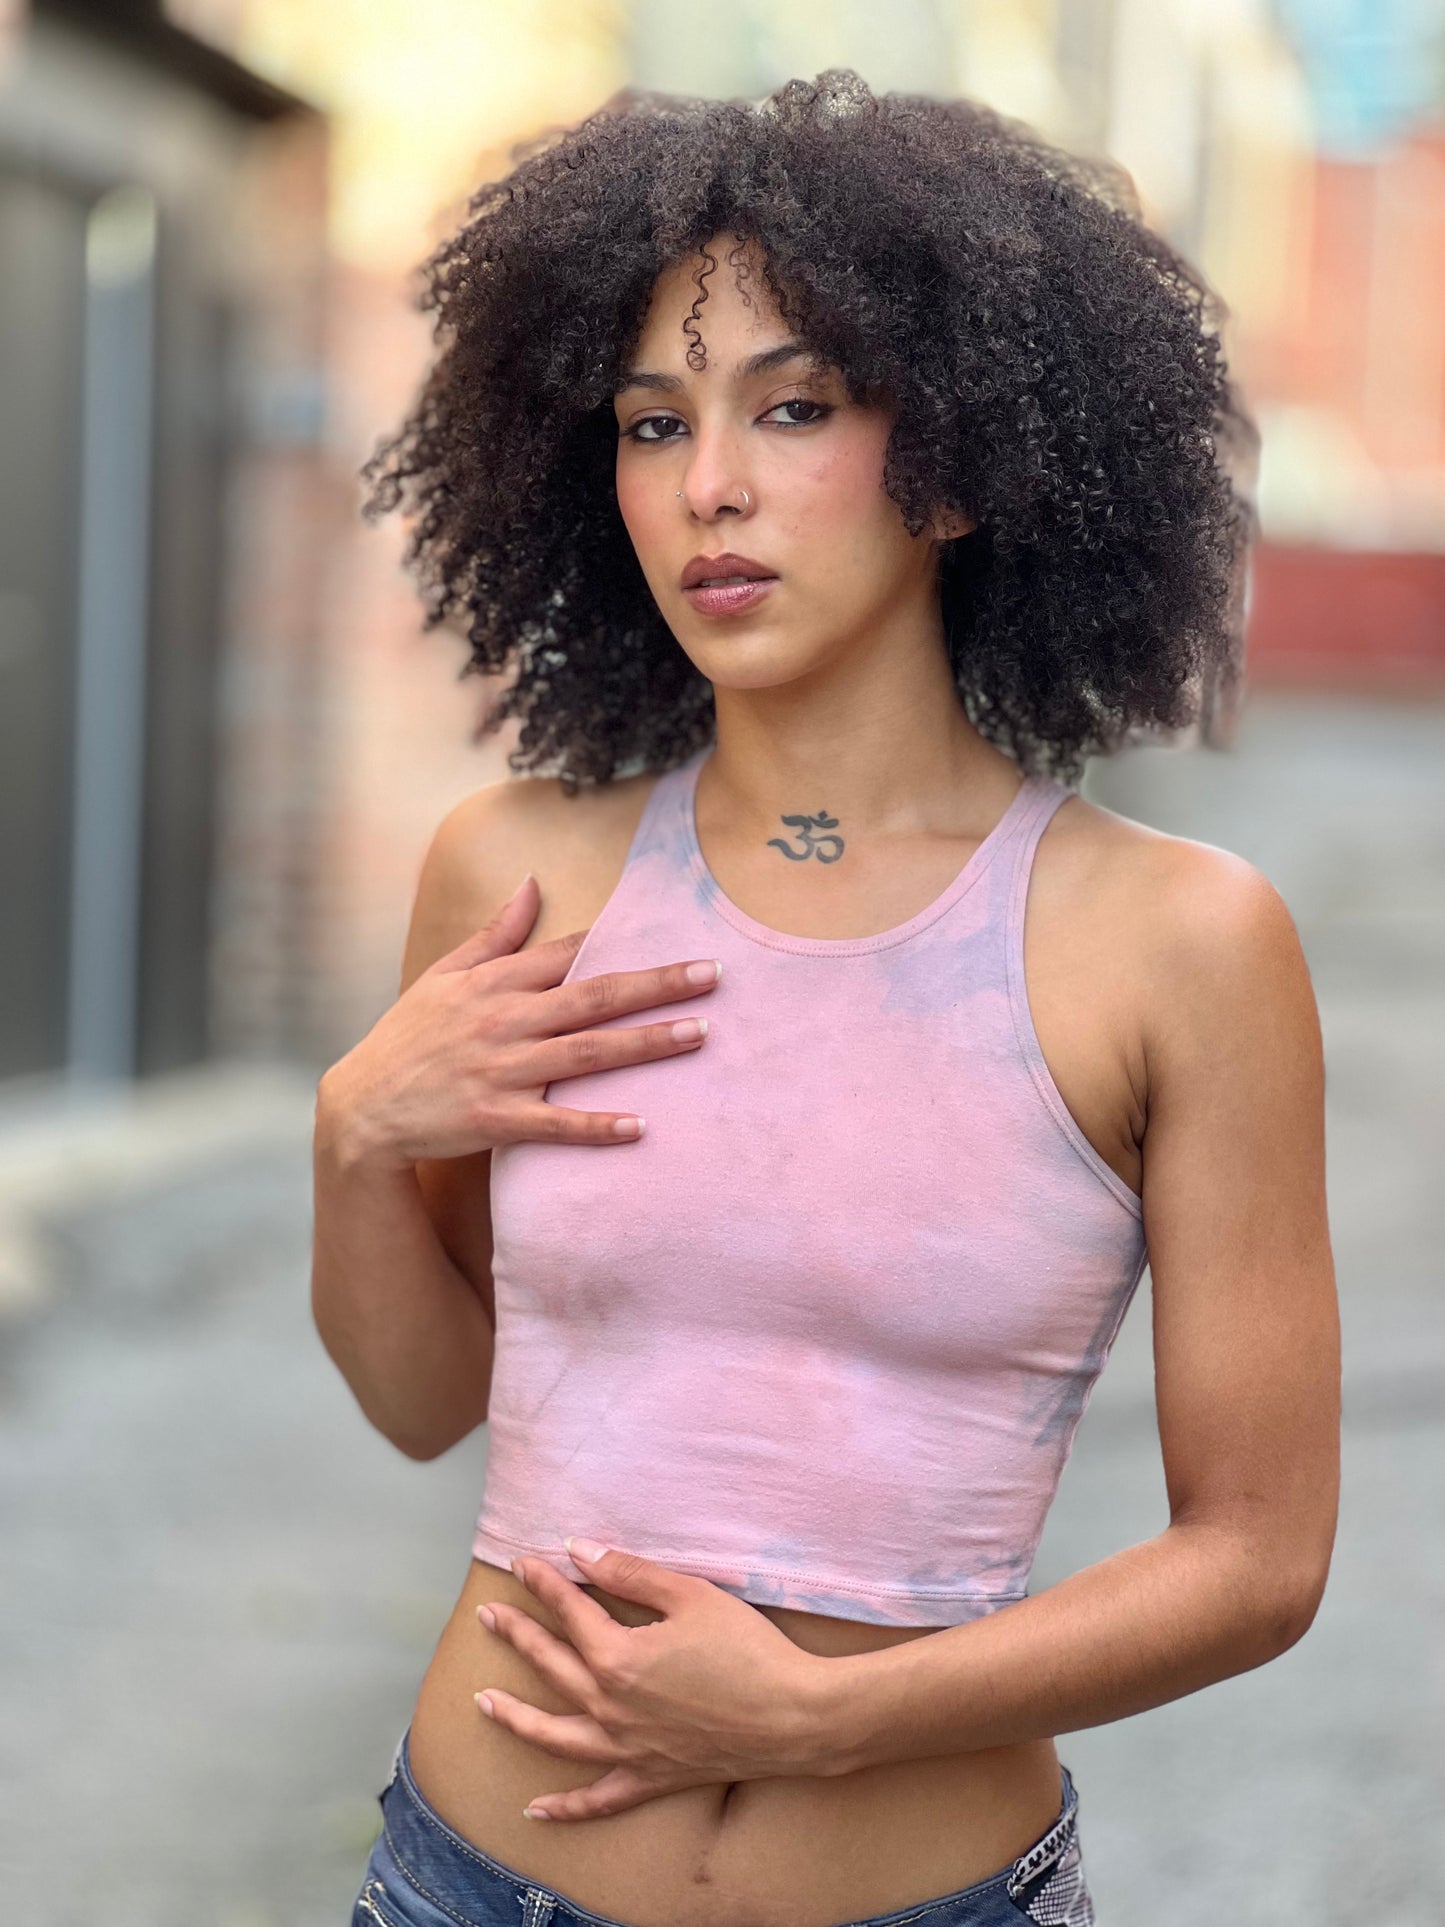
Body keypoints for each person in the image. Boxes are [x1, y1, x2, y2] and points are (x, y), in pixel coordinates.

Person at [314, 70, 1340, 1927]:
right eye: (649, 423)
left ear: (949, 460)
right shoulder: (511, 876)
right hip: (467, 1883)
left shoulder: (1179, 943)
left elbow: (1258, 1560)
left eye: (792, 409)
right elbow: (419, 1401)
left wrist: (822, 1723)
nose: (708, 486)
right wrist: (354, 1138)